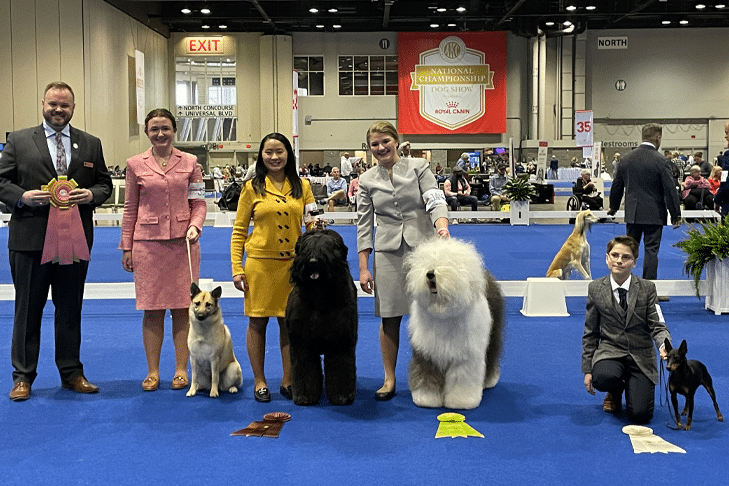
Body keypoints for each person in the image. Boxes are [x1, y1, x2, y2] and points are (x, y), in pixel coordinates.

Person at [0, 81, 113, 401]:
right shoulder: (19, 141)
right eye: (53, 104)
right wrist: (21, 196)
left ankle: (71, 372)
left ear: (73, 108)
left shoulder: (90, 144)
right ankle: (23, 376)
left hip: (74, 242)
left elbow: (104, 184)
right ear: (42, 104)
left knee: (70, 309)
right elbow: (1, 181)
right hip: (29, 241)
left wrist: (92, 194)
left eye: (64, 105)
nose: (58, 110)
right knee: (26, 310)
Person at [357, 121, 449, 401]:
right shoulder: (365, 180)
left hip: (423, 249)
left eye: (385, 141)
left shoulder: (419, 167)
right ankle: (389, 378)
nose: (381, 147)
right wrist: (363, 267)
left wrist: (442, 227)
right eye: (375, 144)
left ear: (396, 141)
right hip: (387, 253)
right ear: (369, 148)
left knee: (431, 316)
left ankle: (433, 376)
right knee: (389, 318)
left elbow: (435, 200)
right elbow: (363, 224)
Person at [120, 108, 207, 392]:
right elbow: (130, 207)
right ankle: (153, 371)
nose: (160, 133)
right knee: (152, 310)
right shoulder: (134, 164)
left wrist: (195, 225)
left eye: (165, 128)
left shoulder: (192, 162)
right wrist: (126, 246)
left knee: (183, 308)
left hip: (184, 245)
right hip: (146, 245)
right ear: (147, 132)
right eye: (154, 128)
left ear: (174, 130)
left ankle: (182, 370)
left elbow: (199, 203)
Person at [230, 133, 319, 403]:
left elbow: (312, 225)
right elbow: (238, 231)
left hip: (293, 268)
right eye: (268, 152)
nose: (274, 157)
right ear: (261, 155)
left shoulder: (302, 186)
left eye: (279, 151)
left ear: (288, 154)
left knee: (289, 325)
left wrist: (315, 252)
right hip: (259, 266)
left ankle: (288, 379)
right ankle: (259, 381)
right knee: (257, 323)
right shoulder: (251, 188)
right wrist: (237, 267)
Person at [582, 236, 672, 424]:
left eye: (626, 257)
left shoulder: (647, 289)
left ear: (634, 262)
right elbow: (591, 332)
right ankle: (614, 391)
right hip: (611, 352)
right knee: (603, 377)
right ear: (607, 258)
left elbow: (658, 325)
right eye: (614, 255)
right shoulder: (596, 288)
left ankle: (631, 386)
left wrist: (665, 346)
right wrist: (588, 369)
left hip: (641, 355)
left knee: (640, 416)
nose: (619, 260)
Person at [608, 123, 681, 286]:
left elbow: (617, 185)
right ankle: (648, 289)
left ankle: (623, 285)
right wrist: (675, 215)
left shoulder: (626, 159)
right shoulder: (662, 160)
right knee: (651, 251)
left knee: (627, 252)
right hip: (654, 214)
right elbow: (670, 190)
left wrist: (613, 206)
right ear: (658, 137)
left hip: (632, 213)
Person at [713, 120, 729, 216]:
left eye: (727, 132)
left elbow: (726, 181)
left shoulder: (728, 155)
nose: (725, 136)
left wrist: (717, 200)